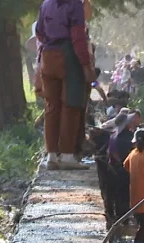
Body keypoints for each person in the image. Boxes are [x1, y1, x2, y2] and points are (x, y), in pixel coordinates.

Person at [36, 0, 95, 171]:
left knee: (51, 107)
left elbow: (39, 32)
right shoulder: (74, 4)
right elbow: (77, 36)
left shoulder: (46, 4)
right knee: (71, 105)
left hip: (48, 55)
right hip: (68, 56)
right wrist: (86, 65)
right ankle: (68, 155)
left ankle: (52, 156)